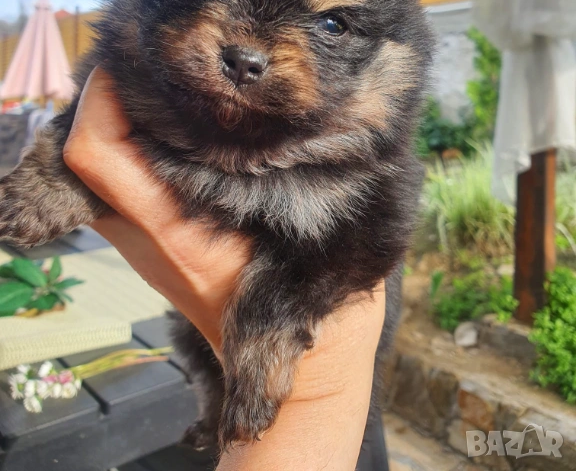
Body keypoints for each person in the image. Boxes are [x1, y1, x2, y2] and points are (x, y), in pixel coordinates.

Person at [63, 68, 387, 471]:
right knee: (192, 347)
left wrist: (314, 389)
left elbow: (365, 233)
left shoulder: (358, 176)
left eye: (333, 32)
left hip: (323, 379)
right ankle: (213, 417)